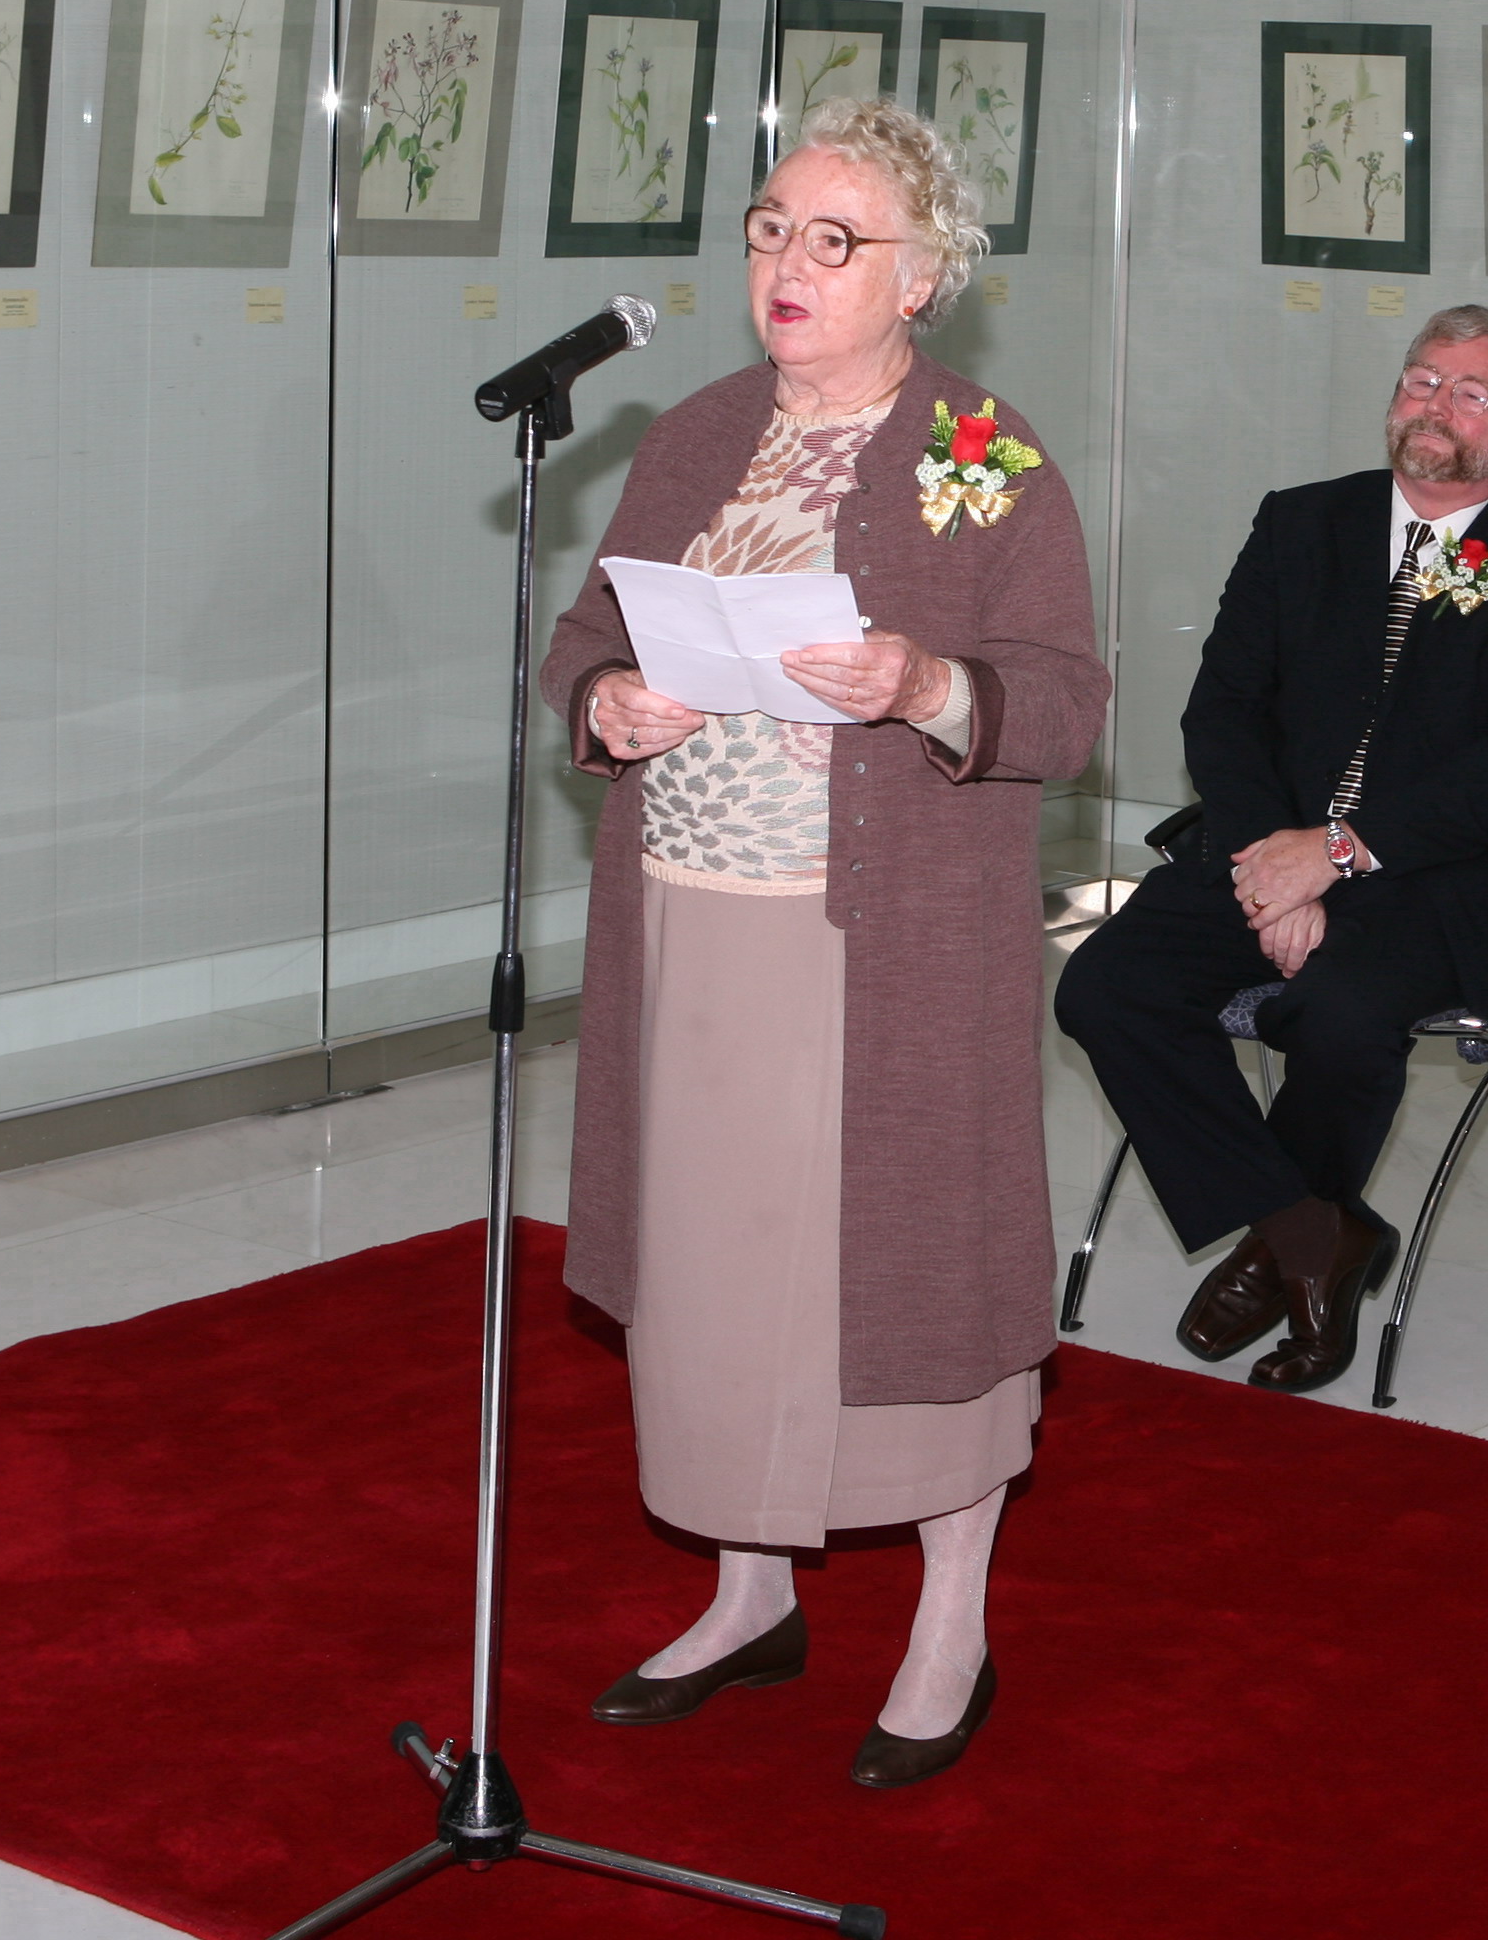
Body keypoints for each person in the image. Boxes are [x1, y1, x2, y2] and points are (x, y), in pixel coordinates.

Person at [537, 96, 1107, 1789]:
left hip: (886, 950)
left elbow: (1068, 703)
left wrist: (925, 685)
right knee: (718, 1279)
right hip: (695, 933)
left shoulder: (984, 456)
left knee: (904, 1274)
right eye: (769, 227)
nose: (787, 263)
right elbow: (580, 634)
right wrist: (607, 699)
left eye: (832, 238)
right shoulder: (696, 434)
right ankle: (747, 1591)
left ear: (919, 273)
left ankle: (950, 1623)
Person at [1054, 308, 1488, 1395]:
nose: (1436, 405)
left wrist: (1340, 852)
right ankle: (1314, 1233)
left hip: (1439, 881)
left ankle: (1285, 1243)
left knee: (1341, 1008)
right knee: (1105, 983)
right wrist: (1276, 859)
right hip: (1263, 848)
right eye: (1421, 379)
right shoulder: (1300, 523)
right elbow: (1222, 712)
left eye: (1472, 392)